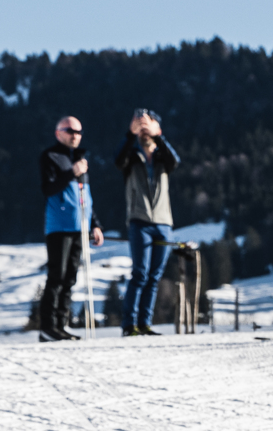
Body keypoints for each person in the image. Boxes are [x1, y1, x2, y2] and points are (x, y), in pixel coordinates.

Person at [37, 117, 103, 341]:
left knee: (70, 279)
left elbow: (86, 197)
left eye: (78, 131)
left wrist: (95, 225)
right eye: (69, 130)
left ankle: (61, 325)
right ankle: (48, 327)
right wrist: (70, 173)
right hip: (59, 227)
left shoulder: (80, 160)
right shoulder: (50, 157)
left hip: (80, 228)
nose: (75, 135)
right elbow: (48, 188)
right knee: (56, 276)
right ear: (58, 133)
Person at [114, 109, 179, 336]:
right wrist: (130, 134)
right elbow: (118, 160)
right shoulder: (131, 157)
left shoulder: (163, 157)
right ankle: (129, 325)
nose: (144, 131)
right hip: (139, 221)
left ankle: (144, 323)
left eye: (147, 126)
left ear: (156, 129)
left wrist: (158, 135)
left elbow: (175, 161)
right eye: (140, 127)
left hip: (163, 223)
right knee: (140, 273)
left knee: (154, 277)